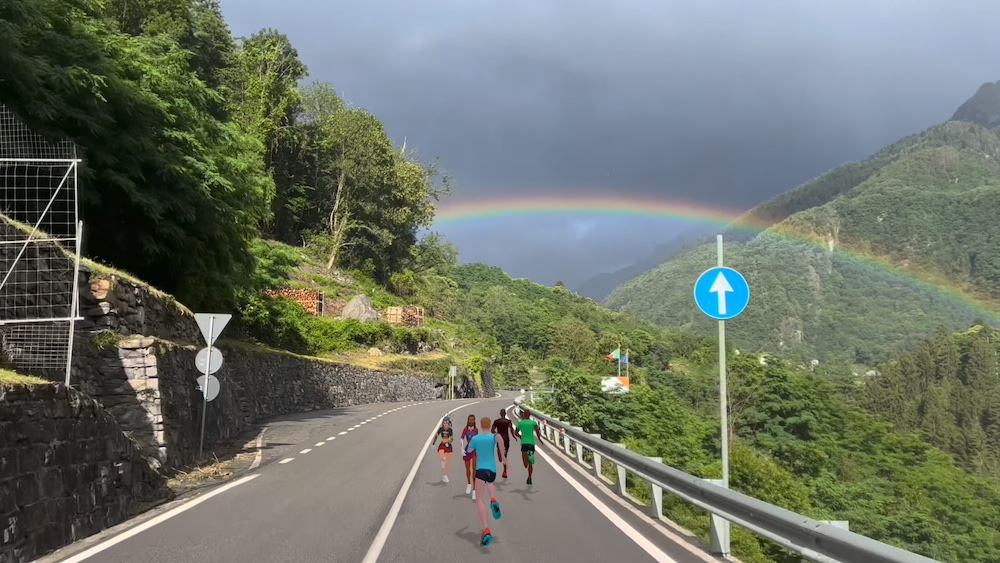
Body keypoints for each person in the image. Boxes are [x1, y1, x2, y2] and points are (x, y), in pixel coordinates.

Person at [466, 416, 506, 547]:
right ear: (489, 426)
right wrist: (504, 460)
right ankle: (493, 499)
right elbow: (500, 443)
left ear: (481, 426)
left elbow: (468, 451)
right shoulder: (494, 437)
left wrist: (469, 443)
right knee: (490, 483)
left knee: (479, 499)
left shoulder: (475, 438)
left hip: (480, 470)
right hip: (492, 471)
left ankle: (486, 530)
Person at [512, 407, 542, 485]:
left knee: (525, 464)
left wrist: (520, 436)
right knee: (530, 463)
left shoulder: (520, 423)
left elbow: (516, 433)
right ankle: (529, 477)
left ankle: (528, 459)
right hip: (531, 444)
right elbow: (537, 431)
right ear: (529, 415)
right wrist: (539, 439)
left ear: (524, 415)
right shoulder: (533, 423)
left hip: (524, 443)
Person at [490, 408, 514, 479]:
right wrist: (514, 436)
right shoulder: (508, 421)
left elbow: (492, 430)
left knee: (500, 458)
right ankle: (505, 471)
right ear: (505, 413)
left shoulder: (496, 421)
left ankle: (504, 469)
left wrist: (497, 434)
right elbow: (511, 429)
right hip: (506, 440)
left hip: (500, 440)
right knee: (505, 457)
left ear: (500, 413)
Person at [460, 414, 479, 498]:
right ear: (468, 421)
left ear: (474, 421)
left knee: (474, 468)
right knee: (467, 468)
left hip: (474, 450)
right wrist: (461, 449)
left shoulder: (476, 429)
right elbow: (461, 439)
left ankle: (474, 490)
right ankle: (469, 485)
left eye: (472, 419)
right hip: (467, 449)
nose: (471, 421)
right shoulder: (465, 429)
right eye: (470, 419)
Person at [431, 416, 454, 483]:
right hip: (442, 444)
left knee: (448, 462)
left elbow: (452, 438)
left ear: (449, 423)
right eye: (444, 423)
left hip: (448, 445)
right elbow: (436, 435)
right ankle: (443, 460)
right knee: (441, 456)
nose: (445, 424)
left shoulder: (450, 430)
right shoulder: (441, 429)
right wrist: (433, 443)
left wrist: (449, 442)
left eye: (446, 423)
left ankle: (445, 475)